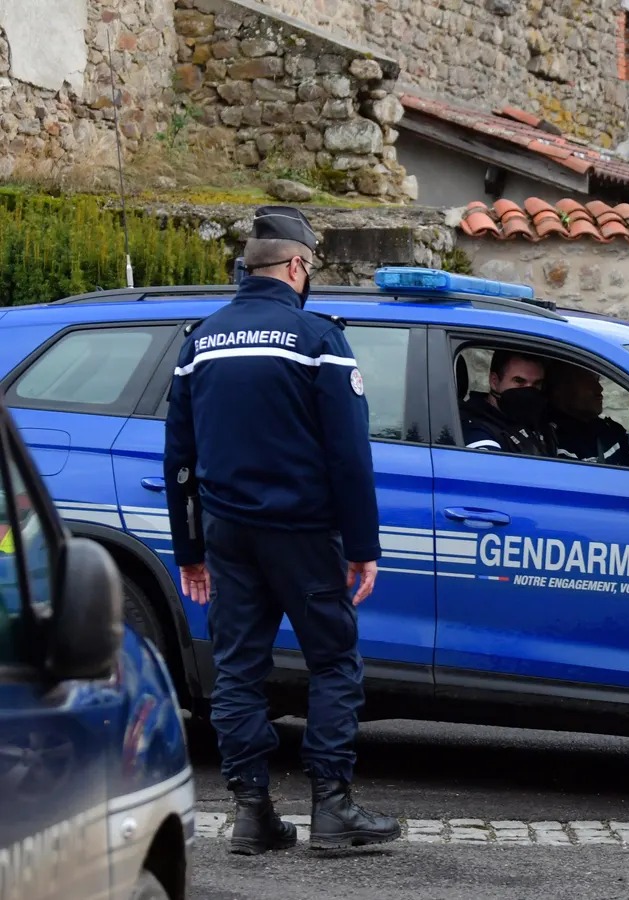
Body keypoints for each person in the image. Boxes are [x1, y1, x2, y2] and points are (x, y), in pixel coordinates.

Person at [163, 205, 399, 855]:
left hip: (228, 533)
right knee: (333, 662)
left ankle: (251, 813)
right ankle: (332, 810)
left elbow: (178, 459)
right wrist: (363, 547)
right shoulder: (317, 340)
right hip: (301, 533)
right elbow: (349, 455)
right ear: (296, 266)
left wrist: (190, 551)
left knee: (238, 670)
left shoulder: (198, 343)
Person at [459, 349, 555, 455]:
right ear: (494, 381)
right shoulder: (475, 429)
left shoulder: (541, 421)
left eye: (537, 383)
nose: (529, 391)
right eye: (519, 381)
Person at [545, 361, 629, 466]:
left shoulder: (610, 431)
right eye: (588, 381)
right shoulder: (549, 440)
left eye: (597, 380)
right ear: (560, 389)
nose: (600, 388)